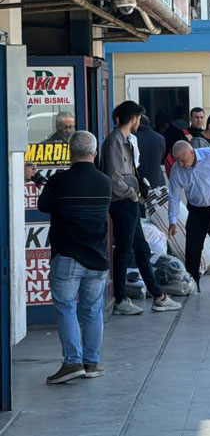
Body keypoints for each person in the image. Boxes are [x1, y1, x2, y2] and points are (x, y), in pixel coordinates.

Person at [39, 131, 112, 384]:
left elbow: (44, 205)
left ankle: (72, 363)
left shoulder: (60, 181)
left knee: (66, 308)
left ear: (70, 153)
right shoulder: (105, 182)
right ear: (94, 153)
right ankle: (91, 363)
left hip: (68, 256)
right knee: (93, 311)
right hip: (98, 259)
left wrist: (37, 178)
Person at [101, 101, 182, 315]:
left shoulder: (126, 140)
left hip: (130, 202)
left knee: (141, 249)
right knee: (125, 251)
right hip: (123, 202)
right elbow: (114, 178)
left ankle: (158, 296)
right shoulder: (115, 141)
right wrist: (132, 194)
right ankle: (121, 299)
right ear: (135, 118)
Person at [168, 142, 210, 293]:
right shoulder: (176, 170)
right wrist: (172, 220)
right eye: (177, 160)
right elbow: (173, 196)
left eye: (183, 160)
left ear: (192, 153)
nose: (181, 164)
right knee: (192, 245)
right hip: (197, 208)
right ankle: (192, 282)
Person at [135, 115, 166, 189]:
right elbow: (162, 156)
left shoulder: (133, 138)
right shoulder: (160, 138)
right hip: (158, 182)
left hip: (139, 183)